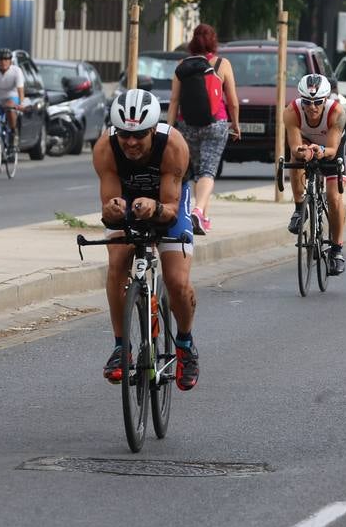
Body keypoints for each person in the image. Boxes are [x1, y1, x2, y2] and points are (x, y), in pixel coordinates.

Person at [94, 90, 199, 391]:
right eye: (125, 134)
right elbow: (109, 207)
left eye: (139, 134)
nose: (130, 142)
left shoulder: (173, 145)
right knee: (117, 262)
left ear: (153, 129)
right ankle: (120, 347)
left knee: (177, 280)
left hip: (169, 203)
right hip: (128, 200)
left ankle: (185, 344)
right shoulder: (105, 148)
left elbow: (169, 209)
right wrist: (113, 210)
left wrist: (155, 208)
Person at [168, 23, 240, 234]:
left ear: (193, 41)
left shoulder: (182, 64)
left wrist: (170, 128)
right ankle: (198, 211)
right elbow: (233, 101)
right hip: (216, 124)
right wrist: (235, 124)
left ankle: (203, 218)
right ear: (213, 41)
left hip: (187, 125)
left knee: (195, 171)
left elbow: (174, 101)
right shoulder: (222, 64)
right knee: (207, 171)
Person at [285, 74, 346, 275]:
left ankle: (336, 250)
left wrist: (320, 151)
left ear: (326, 99)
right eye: (307, 102)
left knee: (334, 197)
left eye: (318, 102)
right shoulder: (291, 111)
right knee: (296, 161)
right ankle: (298, 208)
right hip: (305, 142)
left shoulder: (337, 112)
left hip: (331, 147)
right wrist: (304, 151)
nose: (312, 108)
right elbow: (295, 146)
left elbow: (330, 148)